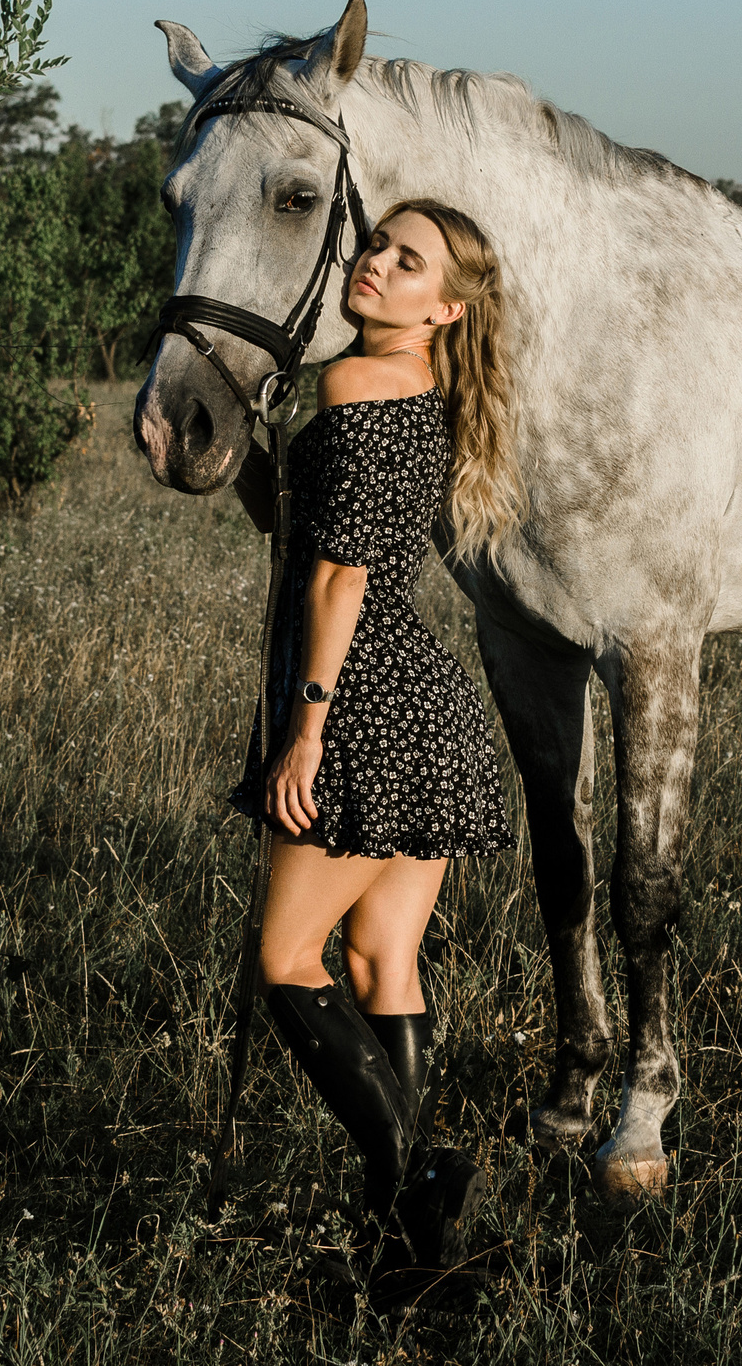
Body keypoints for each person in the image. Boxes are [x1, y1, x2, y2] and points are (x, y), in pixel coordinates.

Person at [228, 199, 520, 1278]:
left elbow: (339, 576)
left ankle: (415, 1175)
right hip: (430, 712)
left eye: (409, 263)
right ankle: (409, 1248)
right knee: (381, 956)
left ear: (445, 307)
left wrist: (304, 736)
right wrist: (251, 450)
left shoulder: (355, 383)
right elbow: (303, 525)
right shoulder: (428, 396)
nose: (375, 266)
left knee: (286, 959)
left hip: (361, 708)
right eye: (377, 246)